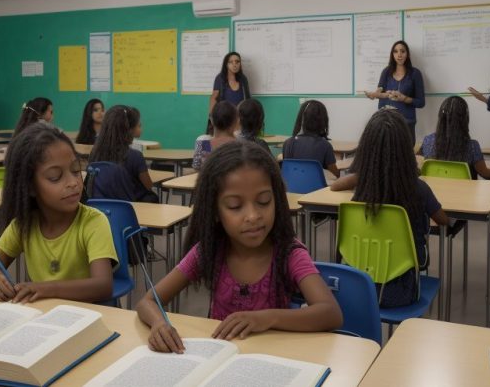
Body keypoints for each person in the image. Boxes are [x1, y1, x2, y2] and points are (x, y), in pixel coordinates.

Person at [136, 141, 341, 353]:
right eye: (235, 206)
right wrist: (159, 324)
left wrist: (267, 318)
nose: (253, 216)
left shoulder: (288, 252)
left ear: (277, 201)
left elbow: (330, 313)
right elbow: (147, 301)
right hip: (221, 358)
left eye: (263, 202)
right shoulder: (210, 249)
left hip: (271, 358)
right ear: (215, 211)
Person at [0, 122, 116, 304]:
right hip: (46, 317)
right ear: (30, 187)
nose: (73, 182)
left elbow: (103, 286)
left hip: (87, 316)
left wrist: (45, 288)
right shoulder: (23, 225)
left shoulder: (93, 221)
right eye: (55, 177)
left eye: (75, 170)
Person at [331, 110, 449, 306]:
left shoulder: (364, 188)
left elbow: (335, 185)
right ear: (405, 148)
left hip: (357, 289)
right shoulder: (419, 188)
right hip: (401, 292)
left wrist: (366, 172)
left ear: (366, 150)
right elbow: (444, 220)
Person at [88, 105, 157, 203]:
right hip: (132, 210)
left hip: (101, 208)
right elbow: (148, 186)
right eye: (138, 123)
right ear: (129, 128)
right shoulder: (135, 156)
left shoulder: (95, 153)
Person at [418, 96, 490, 179]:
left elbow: (418, 167)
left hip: (434, 190)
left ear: (440, 117)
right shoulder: (472, 146)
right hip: (465, 191)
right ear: (464, 120)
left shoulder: (427, 141)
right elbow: (486, 175)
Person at [365, 40, 425, 141]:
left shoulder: (415, 73)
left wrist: (404, 98)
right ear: (392, 54)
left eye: (402, 51)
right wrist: (374, 94)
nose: (399, 55)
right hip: (386, 124)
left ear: (408, 54)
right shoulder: (386, 72)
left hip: (406, 124)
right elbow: (380, 91)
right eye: (395, 51)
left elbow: (421, 102)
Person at [283, 100, 339, 178]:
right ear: (323, 121)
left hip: (292, 188)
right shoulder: (325, 145)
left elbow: (288, 170)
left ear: (301, 119)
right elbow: (335, 175)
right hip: (318, 189)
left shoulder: (287, 143)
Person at [193, 101, 238, 171]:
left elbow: (197, 167)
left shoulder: (203, 144)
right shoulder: (241, 145)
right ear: (235, 121)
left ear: (212, 120)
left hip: (209, 181)